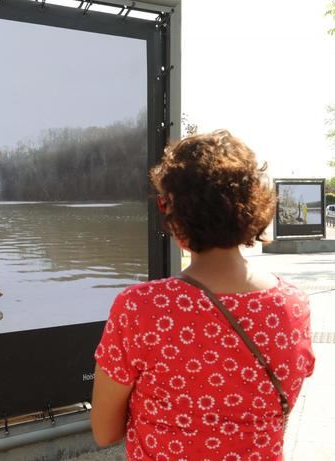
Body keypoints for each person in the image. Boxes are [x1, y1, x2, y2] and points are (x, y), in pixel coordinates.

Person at [91, 130, 315, 460]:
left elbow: (105, 431)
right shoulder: (293, 305)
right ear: (254, 208)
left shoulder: (141, 308)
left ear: (175, 216)